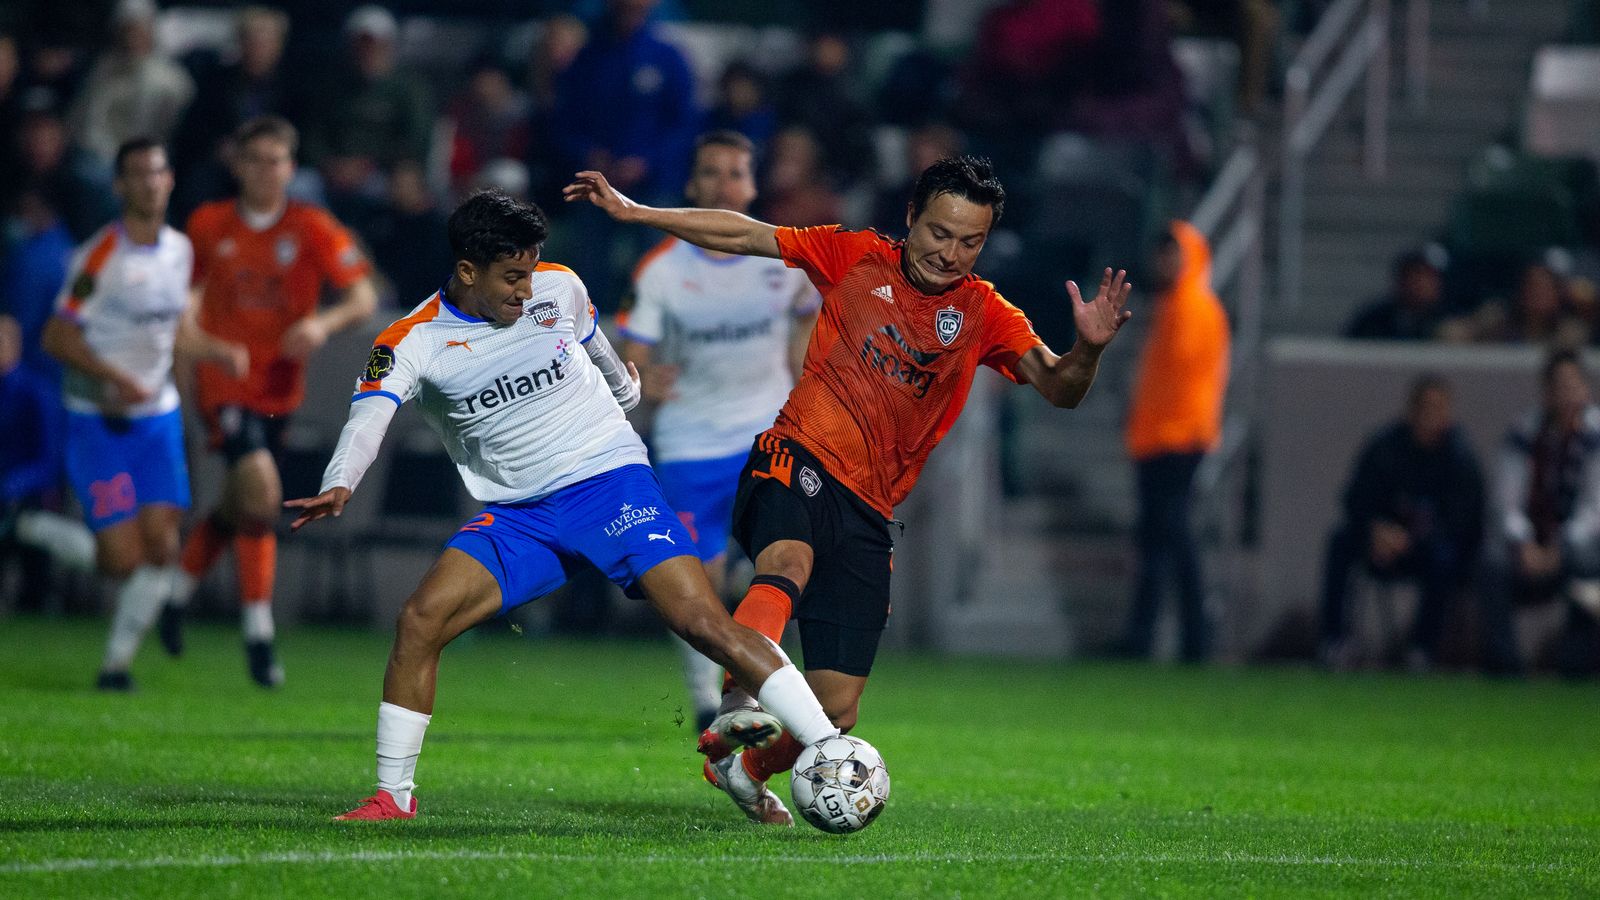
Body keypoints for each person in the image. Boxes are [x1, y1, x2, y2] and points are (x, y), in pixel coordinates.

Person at [565, 154, 1132, 823]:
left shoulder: (986, 313)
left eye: (969, 242)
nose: (951, 253)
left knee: (836, 707)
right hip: (794, 454)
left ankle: (746, 769)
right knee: (786, 562)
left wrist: (1088, 350)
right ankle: (738, 707)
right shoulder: (855, 256)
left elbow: (1060, 388)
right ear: (911, 220)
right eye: (939, 233)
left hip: (869, 509)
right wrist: (638, 212)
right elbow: (746, 234)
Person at [283, 190, 841, 824]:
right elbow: (369, 418)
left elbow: (594, 342)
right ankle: (392, 797)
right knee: (420, 620)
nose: (527, 289)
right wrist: (341, 483)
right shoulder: (413, 342)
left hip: (609, 480)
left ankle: (830, 746)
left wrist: (625, 388)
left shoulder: (559, 287)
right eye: (511, 276)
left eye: (531, 270)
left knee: (703, 623)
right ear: (468, 271)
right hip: (522, 515)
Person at [619, 130, 820, 732]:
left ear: (753, 184)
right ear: (692, 185)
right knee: (697, 587)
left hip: (768, 437)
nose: (724, 185)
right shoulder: (662, 269)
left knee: (781, 567)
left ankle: (750, 697)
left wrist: (807, 399)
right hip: (689, 445)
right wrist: (642, 378)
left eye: (736, 173)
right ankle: (705, 696)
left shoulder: (783, 261)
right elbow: (635, 355)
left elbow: (805, 334)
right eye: (711, 173)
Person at [172, 116, 378, 687]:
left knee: (243, 504)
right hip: (225, 384)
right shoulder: (207, 224)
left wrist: (321, 324)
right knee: (263, 496)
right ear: (237, 164)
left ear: (292, 167)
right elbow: (182, 310)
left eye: (277, 159)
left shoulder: (311, 226)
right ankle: (259, 636)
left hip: (280, 388)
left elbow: (363, 295)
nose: (266, 170)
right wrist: (207, 349)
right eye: (255, 158)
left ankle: (172, 596)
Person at [39, 139, 243, 689]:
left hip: (157, 419)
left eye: (158, 172)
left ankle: (116, 665)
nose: (150, 183)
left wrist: (216, 349)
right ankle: (33, 528)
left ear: (170, 179)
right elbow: (57, 336)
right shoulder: (98, 256)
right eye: (138, 174)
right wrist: (113, 378)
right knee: (120, 559)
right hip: (97, 421)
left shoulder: (179, 249)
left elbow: (174, 327)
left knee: (160, 547)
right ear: (120, 187)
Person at [1318, 376, 1485, 671]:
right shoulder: (1385, 446)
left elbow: (1464, 520)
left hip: (1429, 549)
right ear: (1411, 410)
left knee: (1446, 556)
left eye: (1440, 408)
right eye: (1426, 408)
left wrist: (1414, 537)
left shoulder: (1460, 457)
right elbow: (1355, 499)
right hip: (1381, 544)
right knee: (1340, 542)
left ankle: (1422, 648)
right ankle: (1336, 641)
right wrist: (1375, 529)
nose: (1433, 416)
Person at [1119, 222, 1230, 662]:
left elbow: (1179, 384)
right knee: (1164, 542)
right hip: (1163, 440)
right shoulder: (1175, 308)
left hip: (1178, 441)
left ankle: (1180, 639)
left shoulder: (1194, 309)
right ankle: (1171, 638)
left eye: (1172, 254)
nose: (1164, 263)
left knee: (1171, 541)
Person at [1481, 350, 1600, 676]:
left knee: (1587, 558)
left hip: (1577, 548)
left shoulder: (1596, 437)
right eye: (1557, 386)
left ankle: (1577, 661)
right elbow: (1506, 503)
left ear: (1585, 389)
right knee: (1492, 562)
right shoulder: (1524, 434)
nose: (1565, 395)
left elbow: (1595, 511)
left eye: (1572, 386)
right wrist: (1524, 543)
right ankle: (1506, 666)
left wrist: (1559, 548)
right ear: (1545, 392)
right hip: (1530, 549)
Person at [67, 0, 195, 171]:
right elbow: (85, 119)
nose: (131, 39)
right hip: (98, 154)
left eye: (137, 31)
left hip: (146, 158)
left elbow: (166, 133)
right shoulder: (102, 69)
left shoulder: (172, 80)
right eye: (126, 31)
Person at [1344, 248, 1448, 341]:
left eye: (1430, 276)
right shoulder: (1373, 320)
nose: (1421, 283)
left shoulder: (1449, 319)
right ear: (1400, 280)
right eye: (1416, 275)